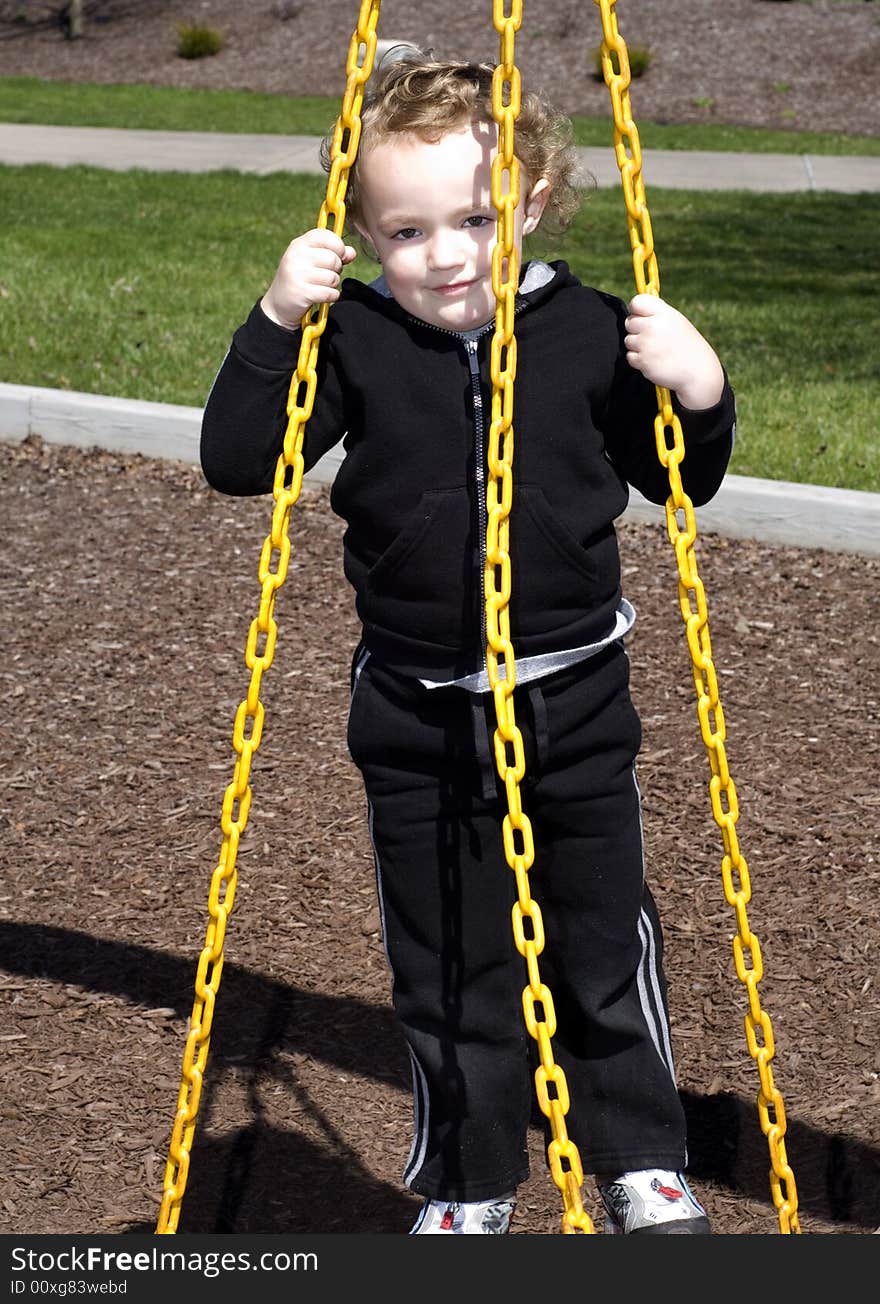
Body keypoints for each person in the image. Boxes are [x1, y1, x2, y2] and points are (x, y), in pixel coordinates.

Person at [200, 53, 735, 1236]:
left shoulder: (591, 329)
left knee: (601, 940)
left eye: (476, 219)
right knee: (448, 965)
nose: (445, 254)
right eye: (406, 230)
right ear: (362, 235)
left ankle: (641, 1156)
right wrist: (279, 316)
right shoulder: (355, 339)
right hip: (417, 709)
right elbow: (241, 461)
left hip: (573, 694)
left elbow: (675, 477)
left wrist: (698, 389)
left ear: (534, 200)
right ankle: (469, 1176)